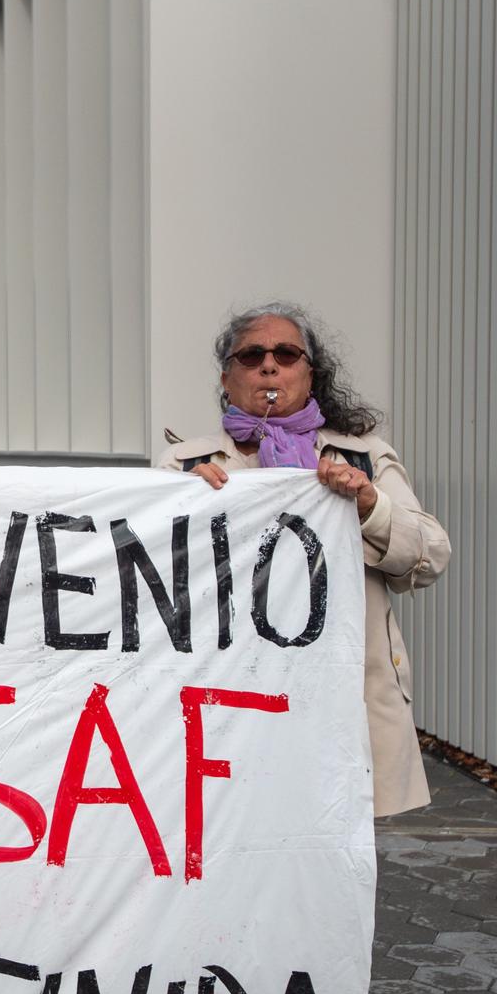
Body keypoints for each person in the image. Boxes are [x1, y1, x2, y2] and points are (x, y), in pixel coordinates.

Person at [158, 302, 451, 819]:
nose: (269, 366)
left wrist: (367, 505)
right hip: (237, 698)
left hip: (345, 696)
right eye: (252, 355)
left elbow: (429, 558)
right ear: (228, 377)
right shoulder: (186, 466)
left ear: (309, 374)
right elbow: (153, 580)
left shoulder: (361, 457)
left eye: (286, 354)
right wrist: (182, 503)